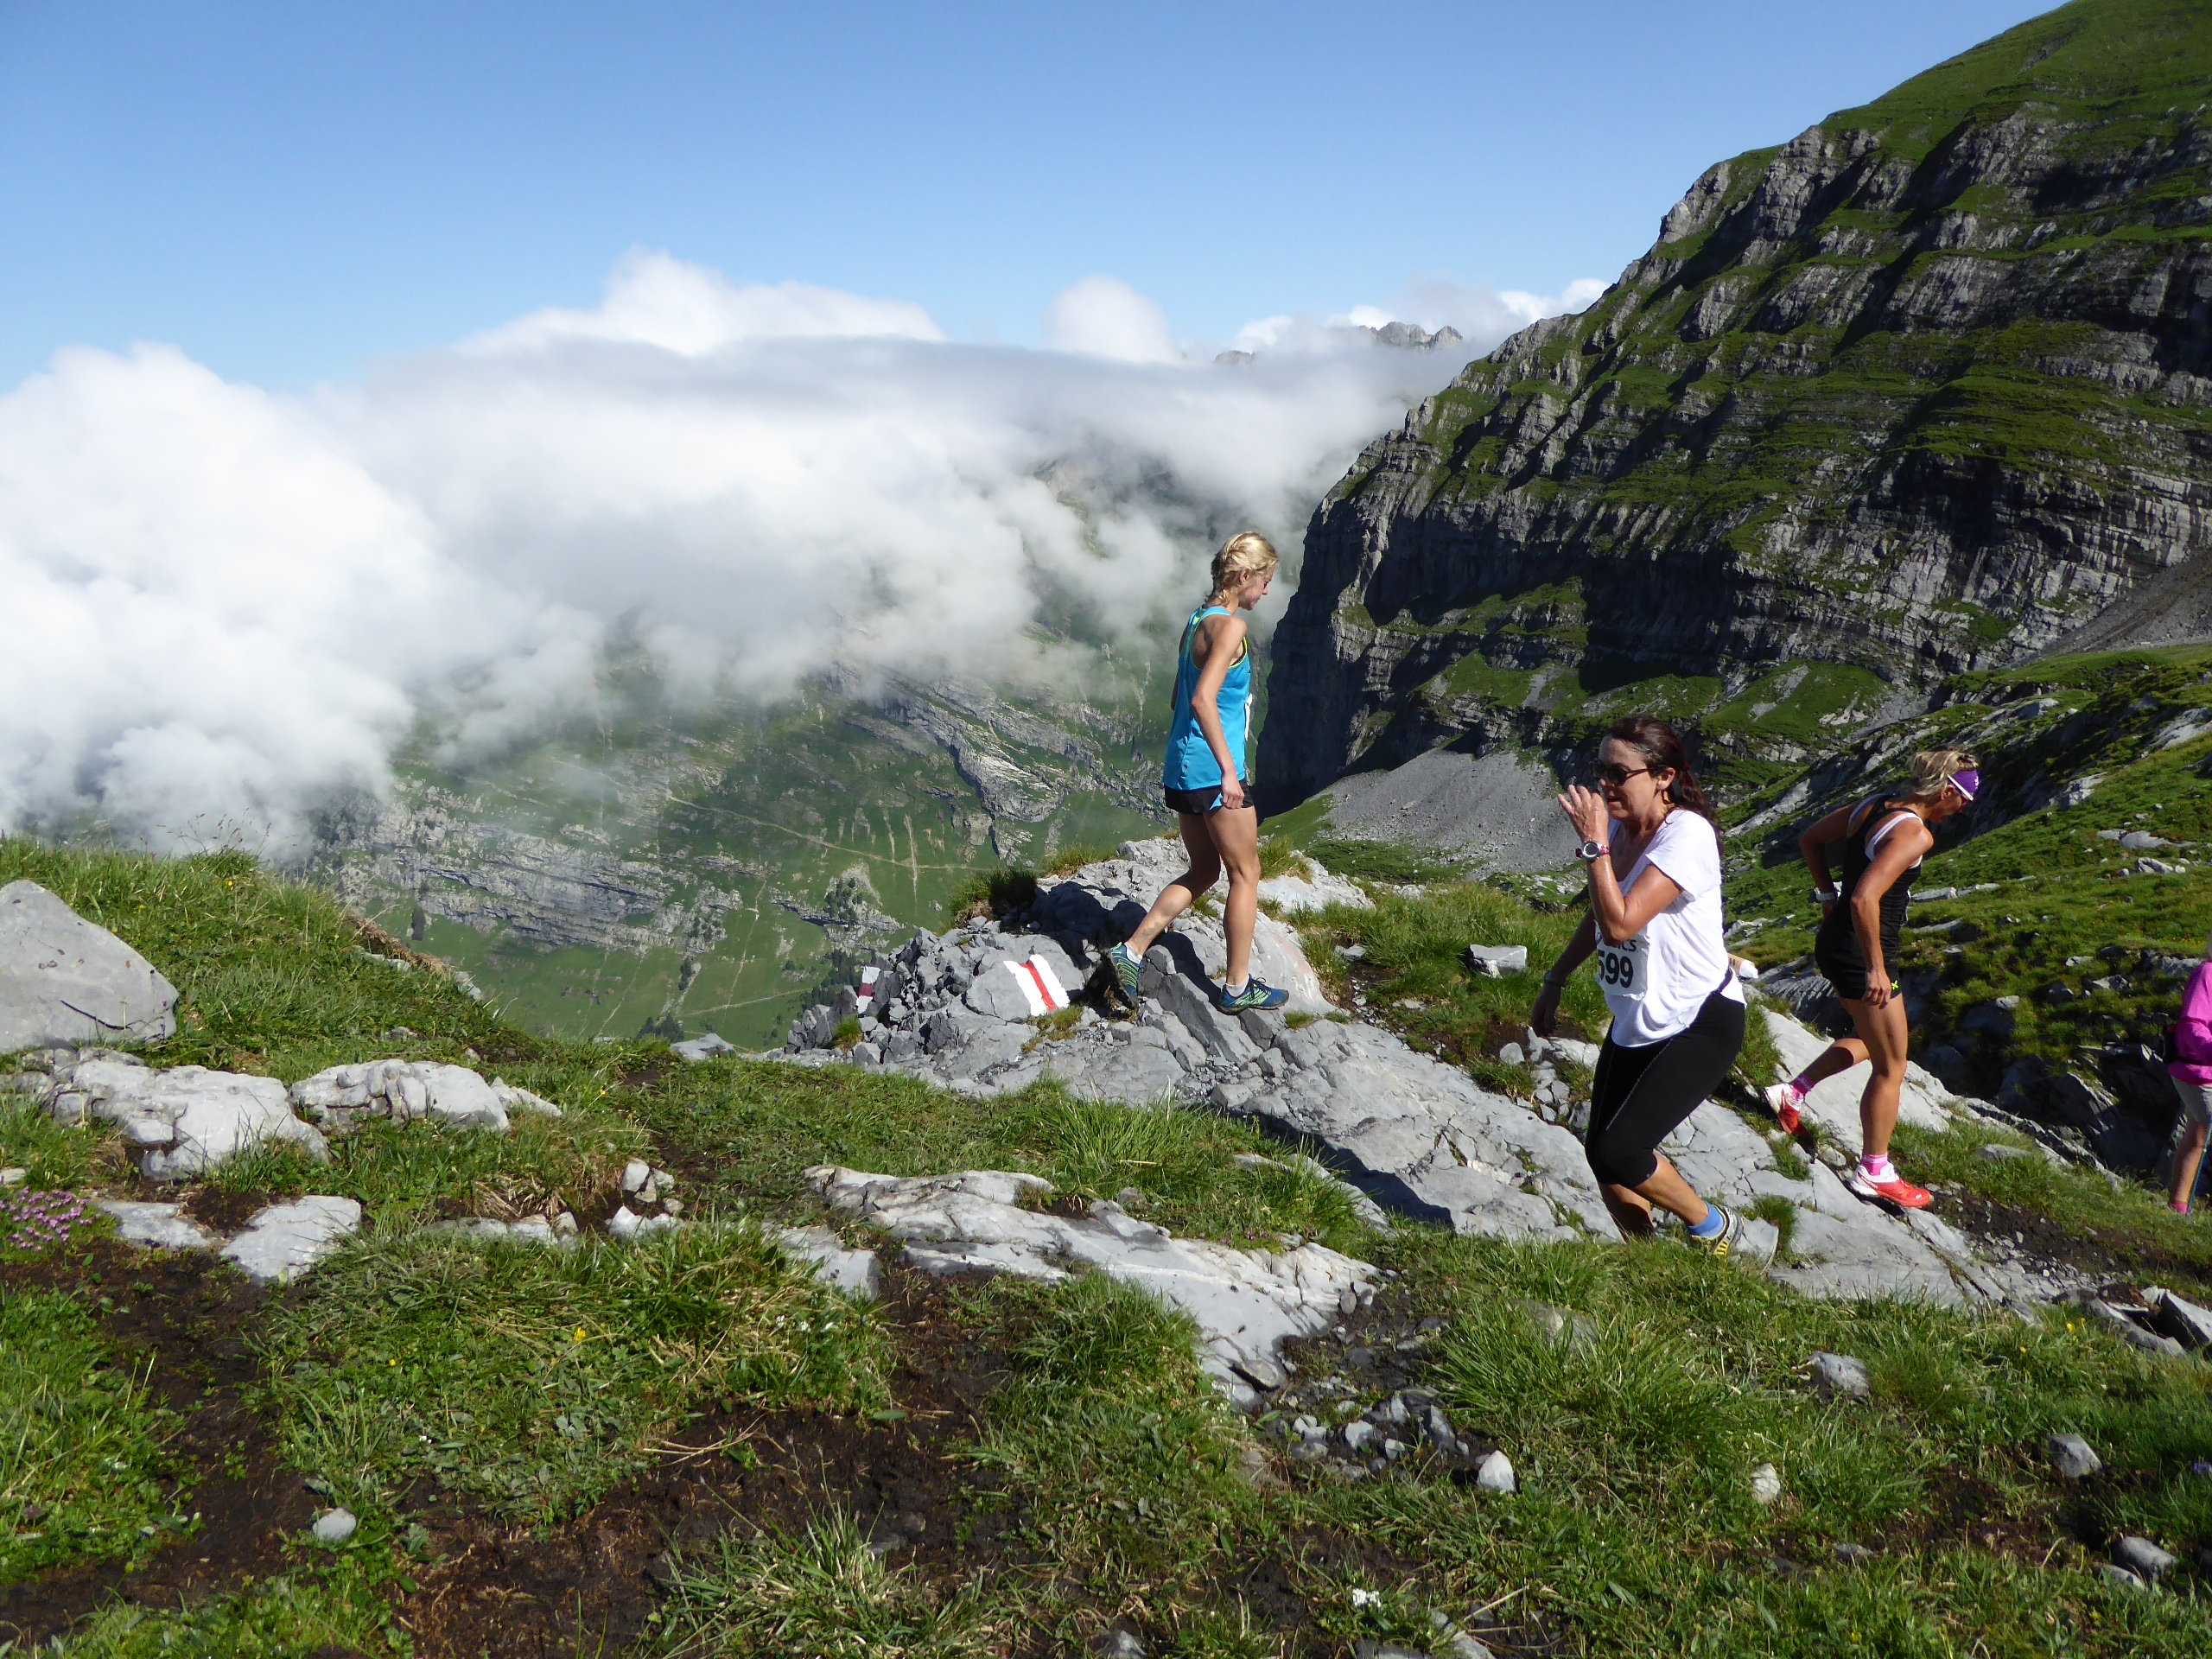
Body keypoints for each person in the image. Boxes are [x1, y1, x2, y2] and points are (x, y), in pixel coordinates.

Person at [1532, 716, 1757, 1255]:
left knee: (1621, 1150)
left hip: (1700, 1019)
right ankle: (1648, 1260)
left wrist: (1593, 846)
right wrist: (1555, 978)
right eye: (1600, 770)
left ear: (1663, 777)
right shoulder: (1620, 832)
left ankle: (1712, 1226)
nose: (1605, 784)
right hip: (1639, 1018)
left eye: (1618, 773)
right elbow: (1598, 915)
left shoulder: (1687, 834)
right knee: (1601, 1154)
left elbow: (1620, 924)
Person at [1766, 749, 1979, 1211]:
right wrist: (1876, 967)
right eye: (1963, 800)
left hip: (1835, 943)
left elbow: (1810, 839)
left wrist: (1826, 896)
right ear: (1947, 791)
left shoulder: (1872, 805)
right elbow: (1865, 899)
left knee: (1872, 1040)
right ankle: (1874, 1172)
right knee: (1892, 1066)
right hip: (1862, 952)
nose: (1963, 810)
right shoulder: (1915, 833)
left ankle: (1792, 1093)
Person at [1105, 532, 1289, 1014]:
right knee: (1246, 872)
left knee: (1205, 869)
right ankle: (1237, 987)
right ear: (1244, 576)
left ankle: (1131, 951)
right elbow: (1201, 700)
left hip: (1183, 767)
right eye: (1264, 580)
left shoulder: (1196, 621)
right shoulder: (1230, 627)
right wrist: (1230, 771)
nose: (1266, 591)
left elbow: (1177, 698)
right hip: (1213, 769)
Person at [2165, 936, 2212, 1215]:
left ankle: (2178, 1205)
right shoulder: (2208, 973)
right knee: (2202, 1130)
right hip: (2198, 1071)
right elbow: (2193, 1023)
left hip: (2201, 1071)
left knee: (2197, 1134)